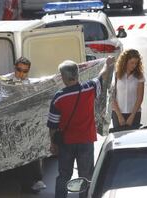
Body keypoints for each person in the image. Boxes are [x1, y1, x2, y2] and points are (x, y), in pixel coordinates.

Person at [47, 56, 115, 198]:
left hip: (66, 142)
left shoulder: (58, 98)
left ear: (63, 77)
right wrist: (107, 64)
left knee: (64, 175)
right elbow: (102, 76)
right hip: (86, 140)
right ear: (77, 74)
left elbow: (53, 125)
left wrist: (53, 143)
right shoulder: (89, 88)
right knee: (85, 176)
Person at [3, 57, 47, 193]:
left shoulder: (30, 84)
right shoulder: (4, 81)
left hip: (26, 127)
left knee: (29, 158)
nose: (21, 73)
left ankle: (29, 184)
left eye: (25, 71)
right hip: (10, 127)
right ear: (14, 67)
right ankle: (24, 183)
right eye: (19, 70)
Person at [112, 49, 144, 131]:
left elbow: (140, 98)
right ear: (125, 61)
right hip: (117, 113)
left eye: (136, 63)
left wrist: (132, 116)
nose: (134, 65)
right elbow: (112, 97)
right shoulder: (116, 75)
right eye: (132, 63)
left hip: (134, 114)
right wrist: (119, 116)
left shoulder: (139, 76)